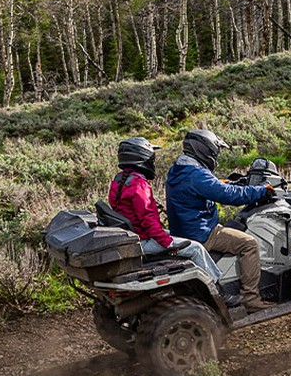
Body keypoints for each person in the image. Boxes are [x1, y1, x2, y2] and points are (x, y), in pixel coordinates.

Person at [166, 129, 274, 312]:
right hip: (202, 233)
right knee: (249, 244)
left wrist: (228, 183)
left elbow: (212, 186)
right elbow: (228, 195)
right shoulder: (196, 175)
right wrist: (262, 190)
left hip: (183, 230)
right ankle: (251, 299)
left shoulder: (178, 170)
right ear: (205, 149)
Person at [108, 137, 222, 285]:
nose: (152, 161)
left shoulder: (119, 180)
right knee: (196, 248)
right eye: (151, 158)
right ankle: (217, 285)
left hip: (134, 236)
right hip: (143, 239)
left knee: (178, 235)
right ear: (141, 157)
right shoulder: (139, 185)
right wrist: (167, 243)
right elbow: (147, 219)